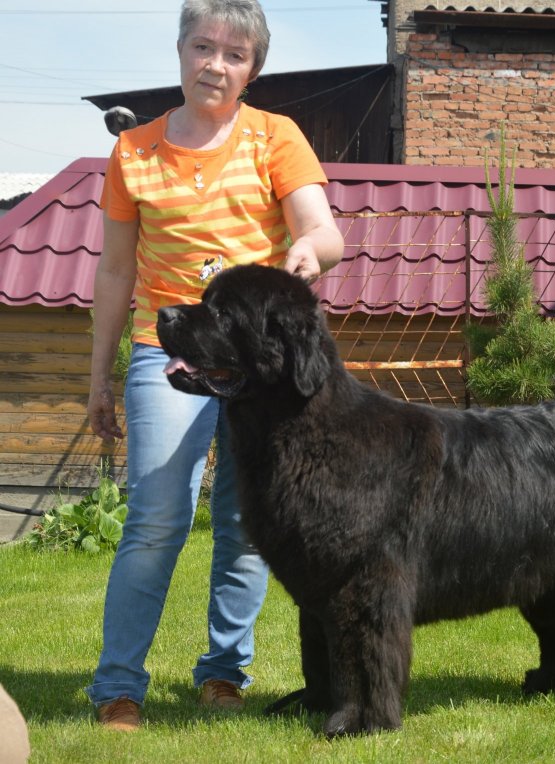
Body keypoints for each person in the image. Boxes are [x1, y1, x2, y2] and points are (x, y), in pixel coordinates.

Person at [85, 0, 344, 731]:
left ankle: (224, 674)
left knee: (244, 521)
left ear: (252, 68)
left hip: (252, 363)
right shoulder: (133, 151)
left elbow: (324, 231)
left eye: (234, 54)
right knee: (156, 519)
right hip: (164, 349)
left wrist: (307, 250)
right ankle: (118, 686)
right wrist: (99, 376)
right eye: (203, 47)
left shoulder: (277, 136)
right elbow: (115, 271)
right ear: (180, 51)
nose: (215, 65)